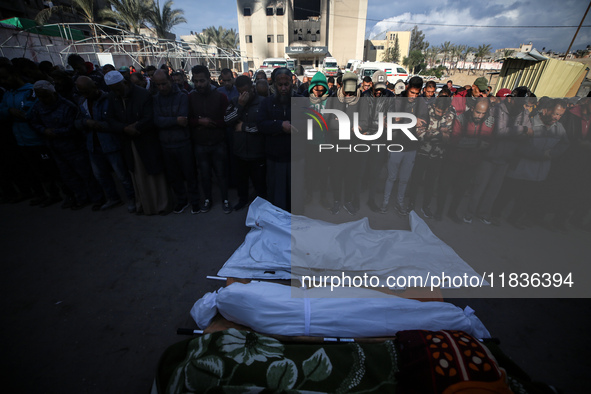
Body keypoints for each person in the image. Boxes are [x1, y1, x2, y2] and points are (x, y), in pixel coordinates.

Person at [29, 80, 105, 211]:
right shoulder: (38, 107)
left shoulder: (67, 106)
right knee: (68, 175)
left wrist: (56, 132)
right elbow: (33, 122)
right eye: (40, 96)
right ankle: (81, 197)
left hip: (73, 146)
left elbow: (74, 126)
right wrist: (44, 130)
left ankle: (97, 198)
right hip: (55, 147)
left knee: (85, 174)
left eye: (45, 95)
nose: (44, 99)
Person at [0, 63, 65, 207]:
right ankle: (46, 194)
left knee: (50, 169)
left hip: (36, 138)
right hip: (21, 139)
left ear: (15, 75)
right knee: (35, 170)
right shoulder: (8, 93)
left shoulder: (31, 91)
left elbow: (28, 113)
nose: (4, 81)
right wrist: (10, 111)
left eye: (6, 77)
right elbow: (2, 110)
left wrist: (13, 113)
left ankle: (64, 194)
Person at [105, 70, 170, 215]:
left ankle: (161, 205)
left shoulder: (142, 94)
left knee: (153, 174)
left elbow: (150, 117)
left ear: (124, 83)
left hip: (145, 140)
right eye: (113, 90)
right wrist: (124, 128)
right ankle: (144, 205)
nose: (117, 92)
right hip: (128, 141)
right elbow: (109, 119)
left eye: (118, 88)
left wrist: (135, 127)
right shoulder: (112, 97)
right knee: (137, 176)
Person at [464, 91, 532, 225]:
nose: (521, 106)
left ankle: (483, 213)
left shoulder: (524, 113)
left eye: (522, 103)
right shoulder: (495, 111)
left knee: (493, 190)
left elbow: (529, 133)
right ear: (510, 99)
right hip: (489, 156)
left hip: (506, 158)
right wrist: (521, 129)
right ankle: (469, 213)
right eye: (518, 102)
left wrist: (515, 131)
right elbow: (498, 132)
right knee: (479, 187)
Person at [74, 76, 136, 212]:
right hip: (93, 145)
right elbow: (77, 122)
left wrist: (97, 124)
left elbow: (115, 122)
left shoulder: (108, 99)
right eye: (81, 91)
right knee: (101, 175)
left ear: (94, 87)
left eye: (87, 90)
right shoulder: (82, 102)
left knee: (122, 175)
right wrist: (85, 123)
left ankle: (133, 198)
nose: (85, 94)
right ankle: (113, 198)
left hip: (111, 143)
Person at [435, 98, 494, 223]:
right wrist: (477, 143)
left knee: (461, 189)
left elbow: (489, 141)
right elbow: (456, 140)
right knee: (444, 186)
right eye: (478, 112)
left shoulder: (489, 121)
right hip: (454, 159)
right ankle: (438, 211)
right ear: (472, 109)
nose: (480, 116)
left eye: (483, 113)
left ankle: (452, 212)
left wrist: (472, 144)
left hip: (471, 162)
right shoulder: (461, 119)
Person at [152, 69, 201, 214]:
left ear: (170, 80)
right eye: (158, 85)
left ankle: (195, 201)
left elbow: (183, 119)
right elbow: (156, 121)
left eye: (164, 84)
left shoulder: (182, 96)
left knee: (190, 174)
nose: (162, 88)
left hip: (183, 142)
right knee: (174, 176)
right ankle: (181, 200)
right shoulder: (155, 99)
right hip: (166, 144)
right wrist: (174, 120)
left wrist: (167, 121)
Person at [380, 76, 427, 216]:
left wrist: (404, 119)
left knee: (405, 179)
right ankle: (385, 202)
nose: (414, 96)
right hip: (396, 145)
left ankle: (399, 203)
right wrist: (412, 119)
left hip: (412, 147)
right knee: (391, 177)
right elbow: (390, 120)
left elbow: (423, 123)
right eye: (412, 92)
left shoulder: (422, 104)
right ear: (407, 88)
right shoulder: (397, 101)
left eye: (417, 93)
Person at [189, 65, 231, 214]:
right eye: (196, 81)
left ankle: (225, 199)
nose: (199, 84)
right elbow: (187, 119)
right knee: (204, 174)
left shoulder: (220, 96)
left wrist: (212, 123)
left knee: (221, 173)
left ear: (209, 79)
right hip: (200, 144)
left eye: (202, 81)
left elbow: (227, 119)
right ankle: (208, 199)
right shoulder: (191, 96)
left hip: (218, 142)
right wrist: (199, 122)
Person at [407, 92, 456, 219]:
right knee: (416, 180)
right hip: (422, 152)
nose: (439, 114)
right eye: (438, 111)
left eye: (442, 112)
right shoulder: (426, 111)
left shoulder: (451, 115)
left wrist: (435, 134)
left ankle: (426, 206)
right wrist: (439, 134)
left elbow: (450, 137)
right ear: (434, 106)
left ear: (446, 109)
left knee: (430, 182)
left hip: (438, 155)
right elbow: (420, 134)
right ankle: (410, 203)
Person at [257, 68, 299, 212]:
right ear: (274, 85)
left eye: (286, 84)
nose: (283, 88)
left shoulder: (301, 100)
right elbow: (261, 125)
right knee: (277, 195)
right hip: (275, 158)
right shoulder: (266, 103)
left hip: (296, 157)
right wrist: (280, 125)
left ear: (291, 84)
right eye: (279, 85)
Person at [224, 75, 267, 210]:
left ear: (252, 88)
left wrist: (244, 127)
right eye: (241, 92)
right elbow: (227, 120)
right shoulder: (234, 102)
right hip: (240, 151)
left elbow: (264, 126)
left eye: (246, 92)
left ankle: (262, 206)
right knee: (241, 181)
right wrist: (240, 106)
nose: (244, 95)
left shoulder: (263, 102)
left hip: (258, 152)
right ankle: (242, 200)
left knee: (260, 183)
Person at [361, 70, 394, 212]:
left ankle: (371, 199)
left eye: (382, 88)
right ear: (372, 84)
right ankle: (361, 189)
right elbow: (361, 117)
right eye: (377, 88)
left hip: (380, 138)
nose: (380, 91)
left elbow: (390, 118)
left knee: (376, 170)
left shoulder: (390, 96)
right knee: (363, 168)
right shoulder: (364, 96)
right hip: (364, 136)